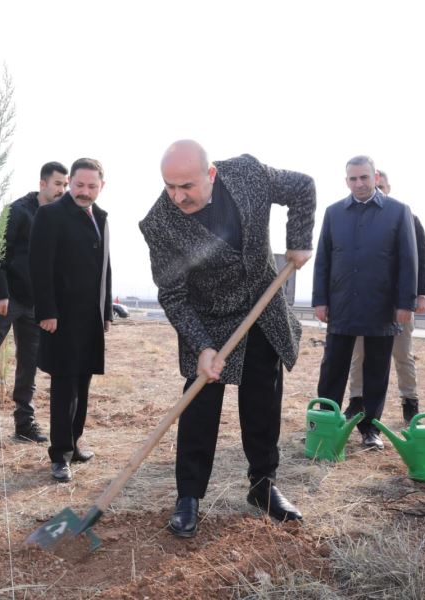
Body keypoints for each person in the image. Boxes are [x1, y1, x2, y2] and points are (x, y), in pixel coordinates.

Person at [140, 140, 314, 538]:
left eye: (187, 186)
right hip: (208, 318)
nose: (177, 196)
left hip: (262, 305)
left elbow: (302, 186)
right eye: (170, 186)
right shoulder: (160, 224)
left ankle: (263, 486)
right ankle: (189, 496)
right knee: (199, 403)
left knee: (263, 399)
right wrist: (202, 346)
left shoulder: (248, 174)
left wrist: (299, 238)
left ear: (211, 174)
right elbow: (173, 295)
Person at [313, 156, 417, 449]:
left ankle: (370, 428)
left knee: (376, 370)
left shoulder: (398, 212)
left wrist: (405, 302)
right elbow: (323, 259)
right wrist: (320, 299)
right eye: (353, 179)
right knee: (332, 367)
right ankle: (327, 423)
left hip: (381, 306)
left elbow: (409, 261)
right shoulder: (334, 213)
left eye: (364, 178)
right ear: (346, 181)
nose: (359, 184)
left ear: (375, 177)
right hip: (341, 304)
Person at [29, 158, 112, 483]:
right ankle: (59, 455)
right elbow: (39, 266)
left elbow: (106, 267)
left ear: (101, 187)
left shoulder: (101, 218)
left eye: (92, 186)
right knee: (64, 386)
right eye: (79, 185)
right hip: (61, 318)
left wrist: (105, 311)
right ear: (70, 182)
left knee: (83, 383)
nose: (84, 191)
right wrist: (47, 312)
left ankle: (75, 444)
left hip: (89, 319)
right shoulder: (50, 215)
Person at [0, 162, 69, 443]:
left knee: (29, 364)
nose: (63, 190)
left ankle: (24, 423)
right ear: (43, 183)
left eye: (65, 185)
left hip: (36, 305)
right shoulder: (18, 211)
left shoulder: (59, 216)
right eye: (58, 184)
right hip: (6, 301)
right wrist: (0, 293)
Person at [346, 169, 425, 424]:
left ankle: (410, 402)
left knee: (403, 354)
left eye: (380, 188)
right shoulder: (351, 219)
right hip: (363, 303)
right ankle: (356, 401)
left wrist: (421, 294)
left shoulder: (407, 217)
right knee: (358, 354)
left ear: (386, 189)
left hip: (398, 303)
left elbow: (421, 258)